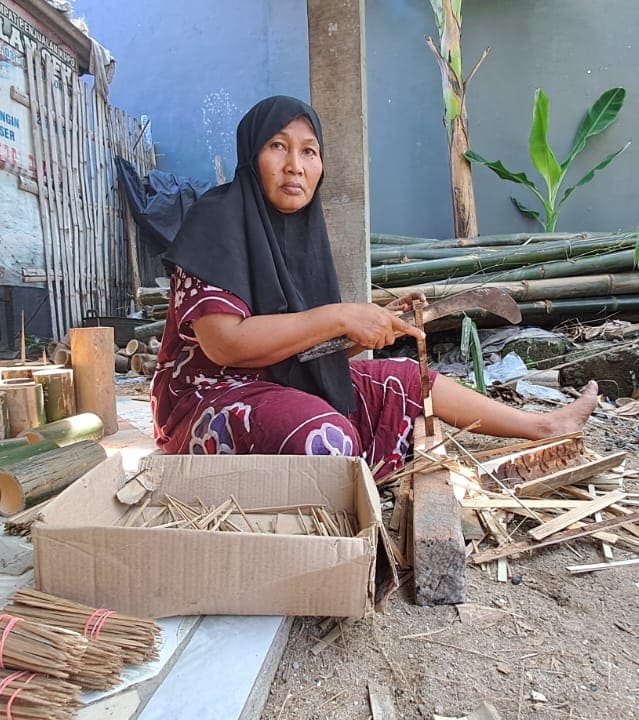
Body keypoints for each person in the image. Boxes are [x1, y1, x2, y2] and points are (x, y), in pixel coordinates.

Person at [150, 95, 597, 478]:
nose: (295, 166)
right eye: (277, 147)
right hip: (206, 398)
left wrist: (372, 327)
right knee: (325, 439)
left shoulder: (301, 233)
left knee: (404, 380)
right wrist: (340, 316)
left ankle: (543, 427)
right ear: (252, 155)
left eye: (309, 152)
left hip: (277, 383)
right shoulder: (216, 220)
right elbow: (227, 346)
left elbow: (301, 349)